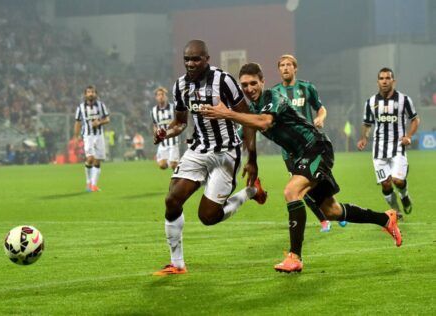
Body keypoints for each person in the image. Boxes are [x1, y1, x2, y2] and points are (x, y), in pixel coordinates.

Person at [200, 62, 402, 273]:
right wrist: (241, 158)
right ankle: (385, 218)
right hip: (301, 155)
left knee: (291, 191)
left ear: (262, 81)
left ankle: (295, 257)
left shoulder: (272, 97)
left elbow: (263, 123)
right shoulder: (251, 108)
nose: (249, 89)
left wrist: (227, 114)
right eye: (244, 85)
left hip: (316, 147)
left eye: (253, 83)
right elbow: (245, 131)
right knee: (331, 211)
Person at [152, 40, 267, 276]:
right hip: (198, 149)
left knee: (208, 217)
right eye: (187, 59)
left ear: (207, 59)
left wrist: (252, 159)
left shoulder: (224, 81)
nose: (191, 64)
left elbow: (247, 120)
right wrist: (166, 131)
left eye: (196, 59)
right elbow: (181, 122)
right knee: (172, 200)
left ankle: (251, 191)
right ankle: (177, 264)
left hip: (225, 152)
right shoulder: (180, 86)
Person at [272, 54, 346, 232]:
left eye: (289, 64)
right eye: (282, 65)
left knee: (320, 185)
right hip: (289, 150)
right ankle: (324, 220)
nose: (285, 68)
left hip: (311, 145)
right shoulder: (274, 93)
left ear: (295, 68)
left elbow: (320, 107)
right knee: (300, 189)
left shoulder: (306, 88)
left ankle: (338, 212)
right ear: (279, 69)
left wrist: (320, 118)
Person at [357, 67, 420, 217]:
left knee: (397, 180)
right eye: (382, 78)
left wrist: (409, 136)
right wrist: (364, 137)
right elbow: (367, 123)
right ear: (378, 81)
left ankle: (404, 196)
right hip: (379, 149)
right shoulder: (371, 102)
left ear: (393, 81)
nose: (384, 81)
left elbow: (415, 119)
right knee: (385, 183)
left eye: (387, 78)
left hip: (398, 146)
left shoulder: (404, 100)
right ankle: (396, 211)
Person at [73, 85, 110, 192]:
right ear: (85, 94)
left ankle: (94, 185)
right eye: (89, 92)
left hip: (99, 135)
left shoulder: (101, 105)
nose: (91, 94)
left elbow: (107, 119)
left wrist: (99, 122)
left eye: (93, 92)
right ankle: (88, 182)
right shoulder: (80, 107)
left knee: (97, 161)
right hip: (87, 135)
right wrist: (76, 137)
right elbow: (77, 122)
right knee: (90, 159)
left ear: (96, 94)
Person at [150, 87, 180, 170]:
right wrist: (156, 135)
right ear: (156, 98)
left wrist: (177, 128)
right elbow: (155, 125)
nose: (161, 96)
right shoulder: (153, 111)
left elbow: (180, 121)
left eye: (162, 94)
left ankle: (180, 173)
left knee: (173, 165)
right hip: (162, 141)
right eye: (158, 95)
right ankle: (172, 162)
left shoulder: (173, 108)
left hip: (173, 140)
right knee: (162, 166)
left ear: (166, 96)